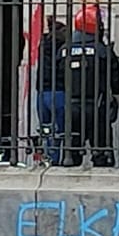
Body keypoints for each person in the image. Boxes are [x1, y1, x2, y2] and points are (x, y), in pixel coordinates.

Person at [60, 6, 119, 167]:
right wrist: (115, 98)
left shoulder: (64, 50)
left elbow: (57, 78)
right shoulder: (103, 51)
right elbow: (115, 79)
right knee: (101, 152)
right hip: (96, 105)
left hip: (72, 106)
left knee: (71, 152)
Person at [34, 16, 70, 164]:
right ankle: (56, 161)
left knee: (46, 129)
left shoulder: (42, 45)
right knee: (60, 131)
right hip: (59, 92)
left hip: (42, 92)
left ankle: (47, 158)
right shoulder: (63, 48)